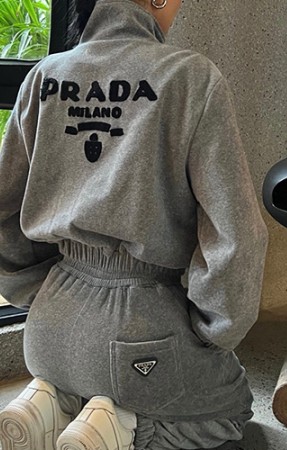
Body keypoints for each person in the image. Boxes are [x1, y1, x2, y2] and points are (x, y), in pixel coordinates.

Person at [0, 0, 268, 449]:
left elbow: (4, 208)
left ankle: (52, 401)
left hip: (46, 333)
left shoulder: (43, 76)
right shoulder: (191, 77)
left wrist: (35, 290)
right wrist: (216, 329)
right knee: (234, 408)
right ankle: (125, 431)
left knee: (88, 374)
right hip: (142, 337)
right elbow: (236, 232)